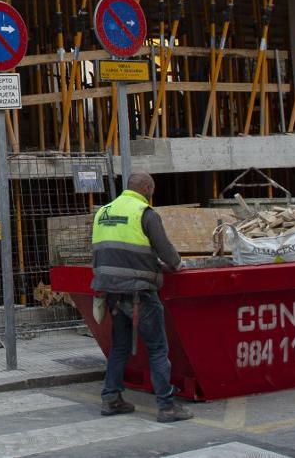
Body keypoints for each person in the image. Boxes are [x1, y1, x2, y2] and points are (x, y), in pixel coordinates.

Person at [91, 171, 192, 423]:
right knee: (158, 349)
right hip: (140, 293)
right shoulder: (144, 213)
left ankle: (111, 398)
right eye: (152, 192)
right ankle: (167, 406)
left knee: (120, 347)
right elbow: (165, 249)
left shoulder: (103, 212)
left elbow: (111, 250)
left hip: (112, 293)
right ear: (146, 188)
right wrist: (177, 264)